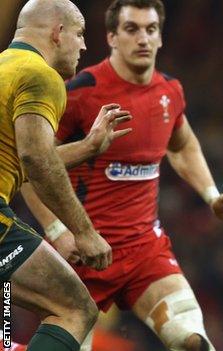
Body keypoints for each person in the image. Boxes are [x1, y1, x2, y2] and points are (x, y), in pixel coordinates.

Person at [21, 1, 223, 351]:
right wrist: (58, 231)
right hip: (85, 255)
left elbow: (182, 143)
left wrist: (211, 195)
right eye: (132, 29)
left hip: (145, 251)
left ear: (160, 38)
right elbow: (30, 165)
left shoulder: (169, 91)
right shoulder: (80, 92)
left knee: (194, 342)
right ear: (112, 36)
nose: (143, 38)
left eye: (151, 29)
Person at [0, 0, 133, 350]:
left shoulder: (5, 68)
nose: (85, 45)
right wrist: (83, 232)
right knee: (74, 308)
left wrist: (89, 147)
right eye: (80, 34)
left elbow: (20, 157)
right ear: (58, 33)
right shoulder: (40, 75)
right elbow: (36, 159)